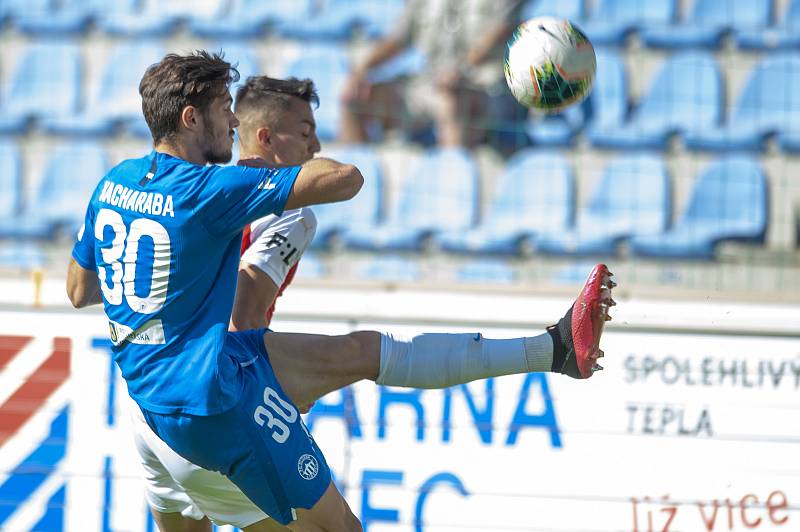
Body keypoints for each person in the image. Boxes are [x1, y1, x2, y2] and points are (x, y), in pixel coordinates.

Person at [67, 51, 615, 532]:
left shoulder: (113, 182)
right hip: (214, 400)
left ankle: (551, 349)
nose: (230, 122)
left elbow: (80, 288)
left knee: (360, 351)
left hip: (146, 407)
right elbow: (341, 184)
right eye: (221, 112)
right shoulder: (226, 195)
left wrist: (168, 282)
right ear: (192, 118)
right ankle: (552, 350)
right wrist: (266, 391)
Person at [133, 76, 323, 532]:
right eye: (305, 131)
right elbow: (246, 314)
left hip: (157, 403)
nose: (316, 145)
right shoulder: (290, 211)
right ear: (266, 137)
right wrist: (277, 397)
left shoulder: (198, 188)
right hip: (220, 400)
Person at [339, 0, 524, 147]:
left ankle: (452, 181)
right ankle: (350, 186)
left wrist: (461, 69)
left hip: (485, 87)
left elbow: (502, 30)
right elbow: (397, 39)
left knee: (450, 99)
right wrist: (360, 71)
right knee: (354, 97)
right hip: (429, 83)